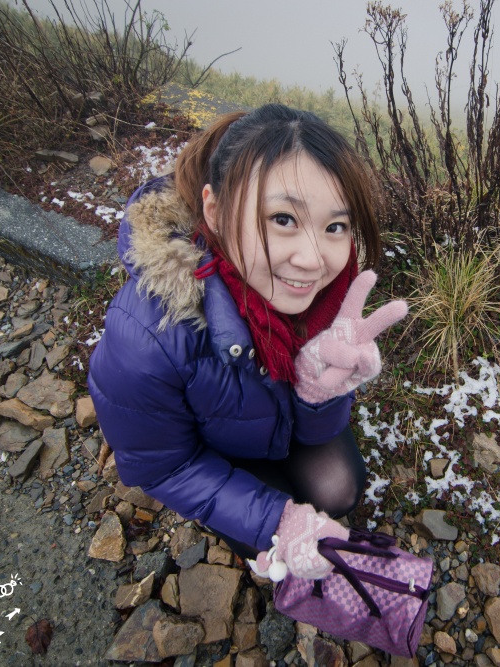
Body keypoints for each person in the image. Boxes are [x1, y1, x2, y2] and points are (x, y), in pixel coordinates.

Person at [88, 104, 406, 580]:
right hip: (204, 450)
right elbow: (161, 468)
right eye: (283, 218)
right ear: (214, 211)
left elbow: (313, 431)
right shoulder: (148, 335)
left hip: (269, 425)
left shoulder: (327, 299)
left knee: (339, 489)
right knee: (267, 529)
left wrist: (319, 392)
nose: (312, 260)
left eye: (334, 226)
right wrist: (275, 520)